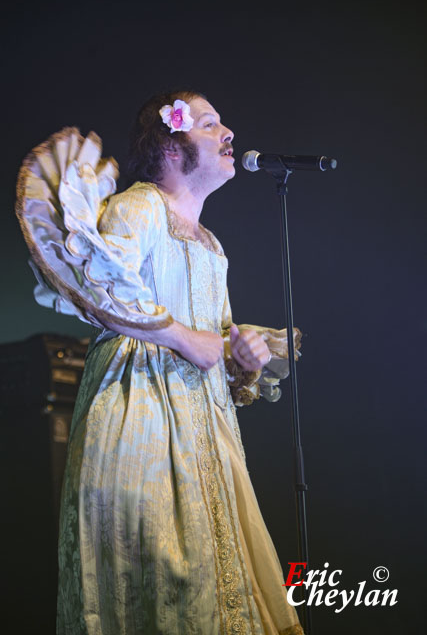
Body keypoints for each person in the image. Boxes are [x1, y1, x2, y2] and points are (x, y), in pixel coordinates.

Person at [15, 90, 303, 635]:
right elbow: (100, 290)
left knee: (218, 572)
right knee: (164, 571)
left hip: (204, 426)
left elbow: (215, 338)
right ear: (171, 145)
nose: (229, 134)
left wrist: (242, 352)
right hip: (139, 413)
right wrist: (184, 338)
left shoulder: (214, 247)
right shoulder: (140, 205)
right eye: (210, 123)